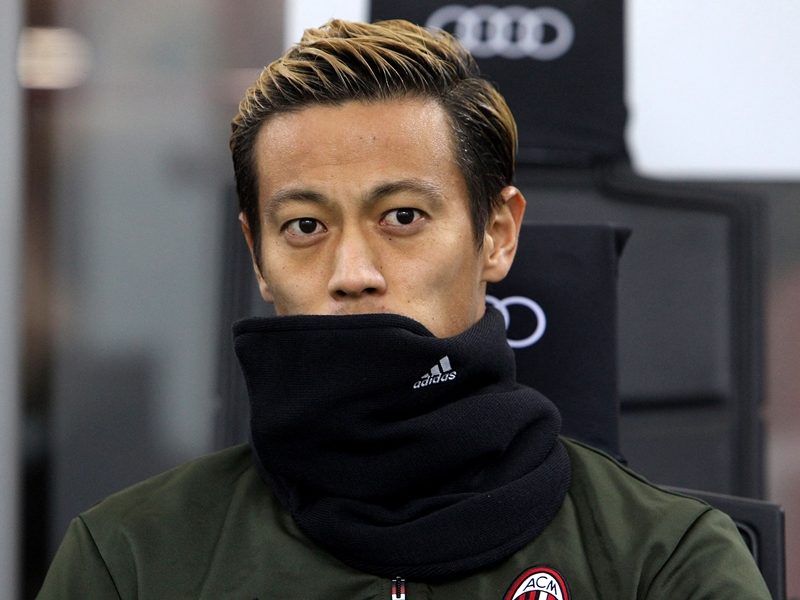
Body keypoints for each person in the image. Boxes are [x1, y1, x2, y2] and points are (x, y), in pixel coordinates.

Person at [38, 18, 771, 599]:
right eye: (305, 227)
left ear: (497, 234)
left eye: (402, 217)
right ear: (257, 256)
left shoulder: (662, 559)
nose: (353, 274)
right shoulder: (132, 558)